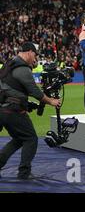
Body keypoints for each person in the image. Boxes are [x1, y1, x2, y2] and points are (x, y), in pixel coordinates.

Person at [0, 42, 61, 180]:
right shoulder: (22, 68)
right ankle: (24, 173)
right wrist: (52, 101)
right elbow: (34, 91)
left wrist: (26, 104)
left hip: (3, 109)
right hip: (13, 110)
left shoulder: (10, 63)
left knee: (18, 138)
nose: (35, 59)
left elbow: (10, 88)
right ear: (29, 52)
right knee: (31, 138)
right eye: (35, 55)